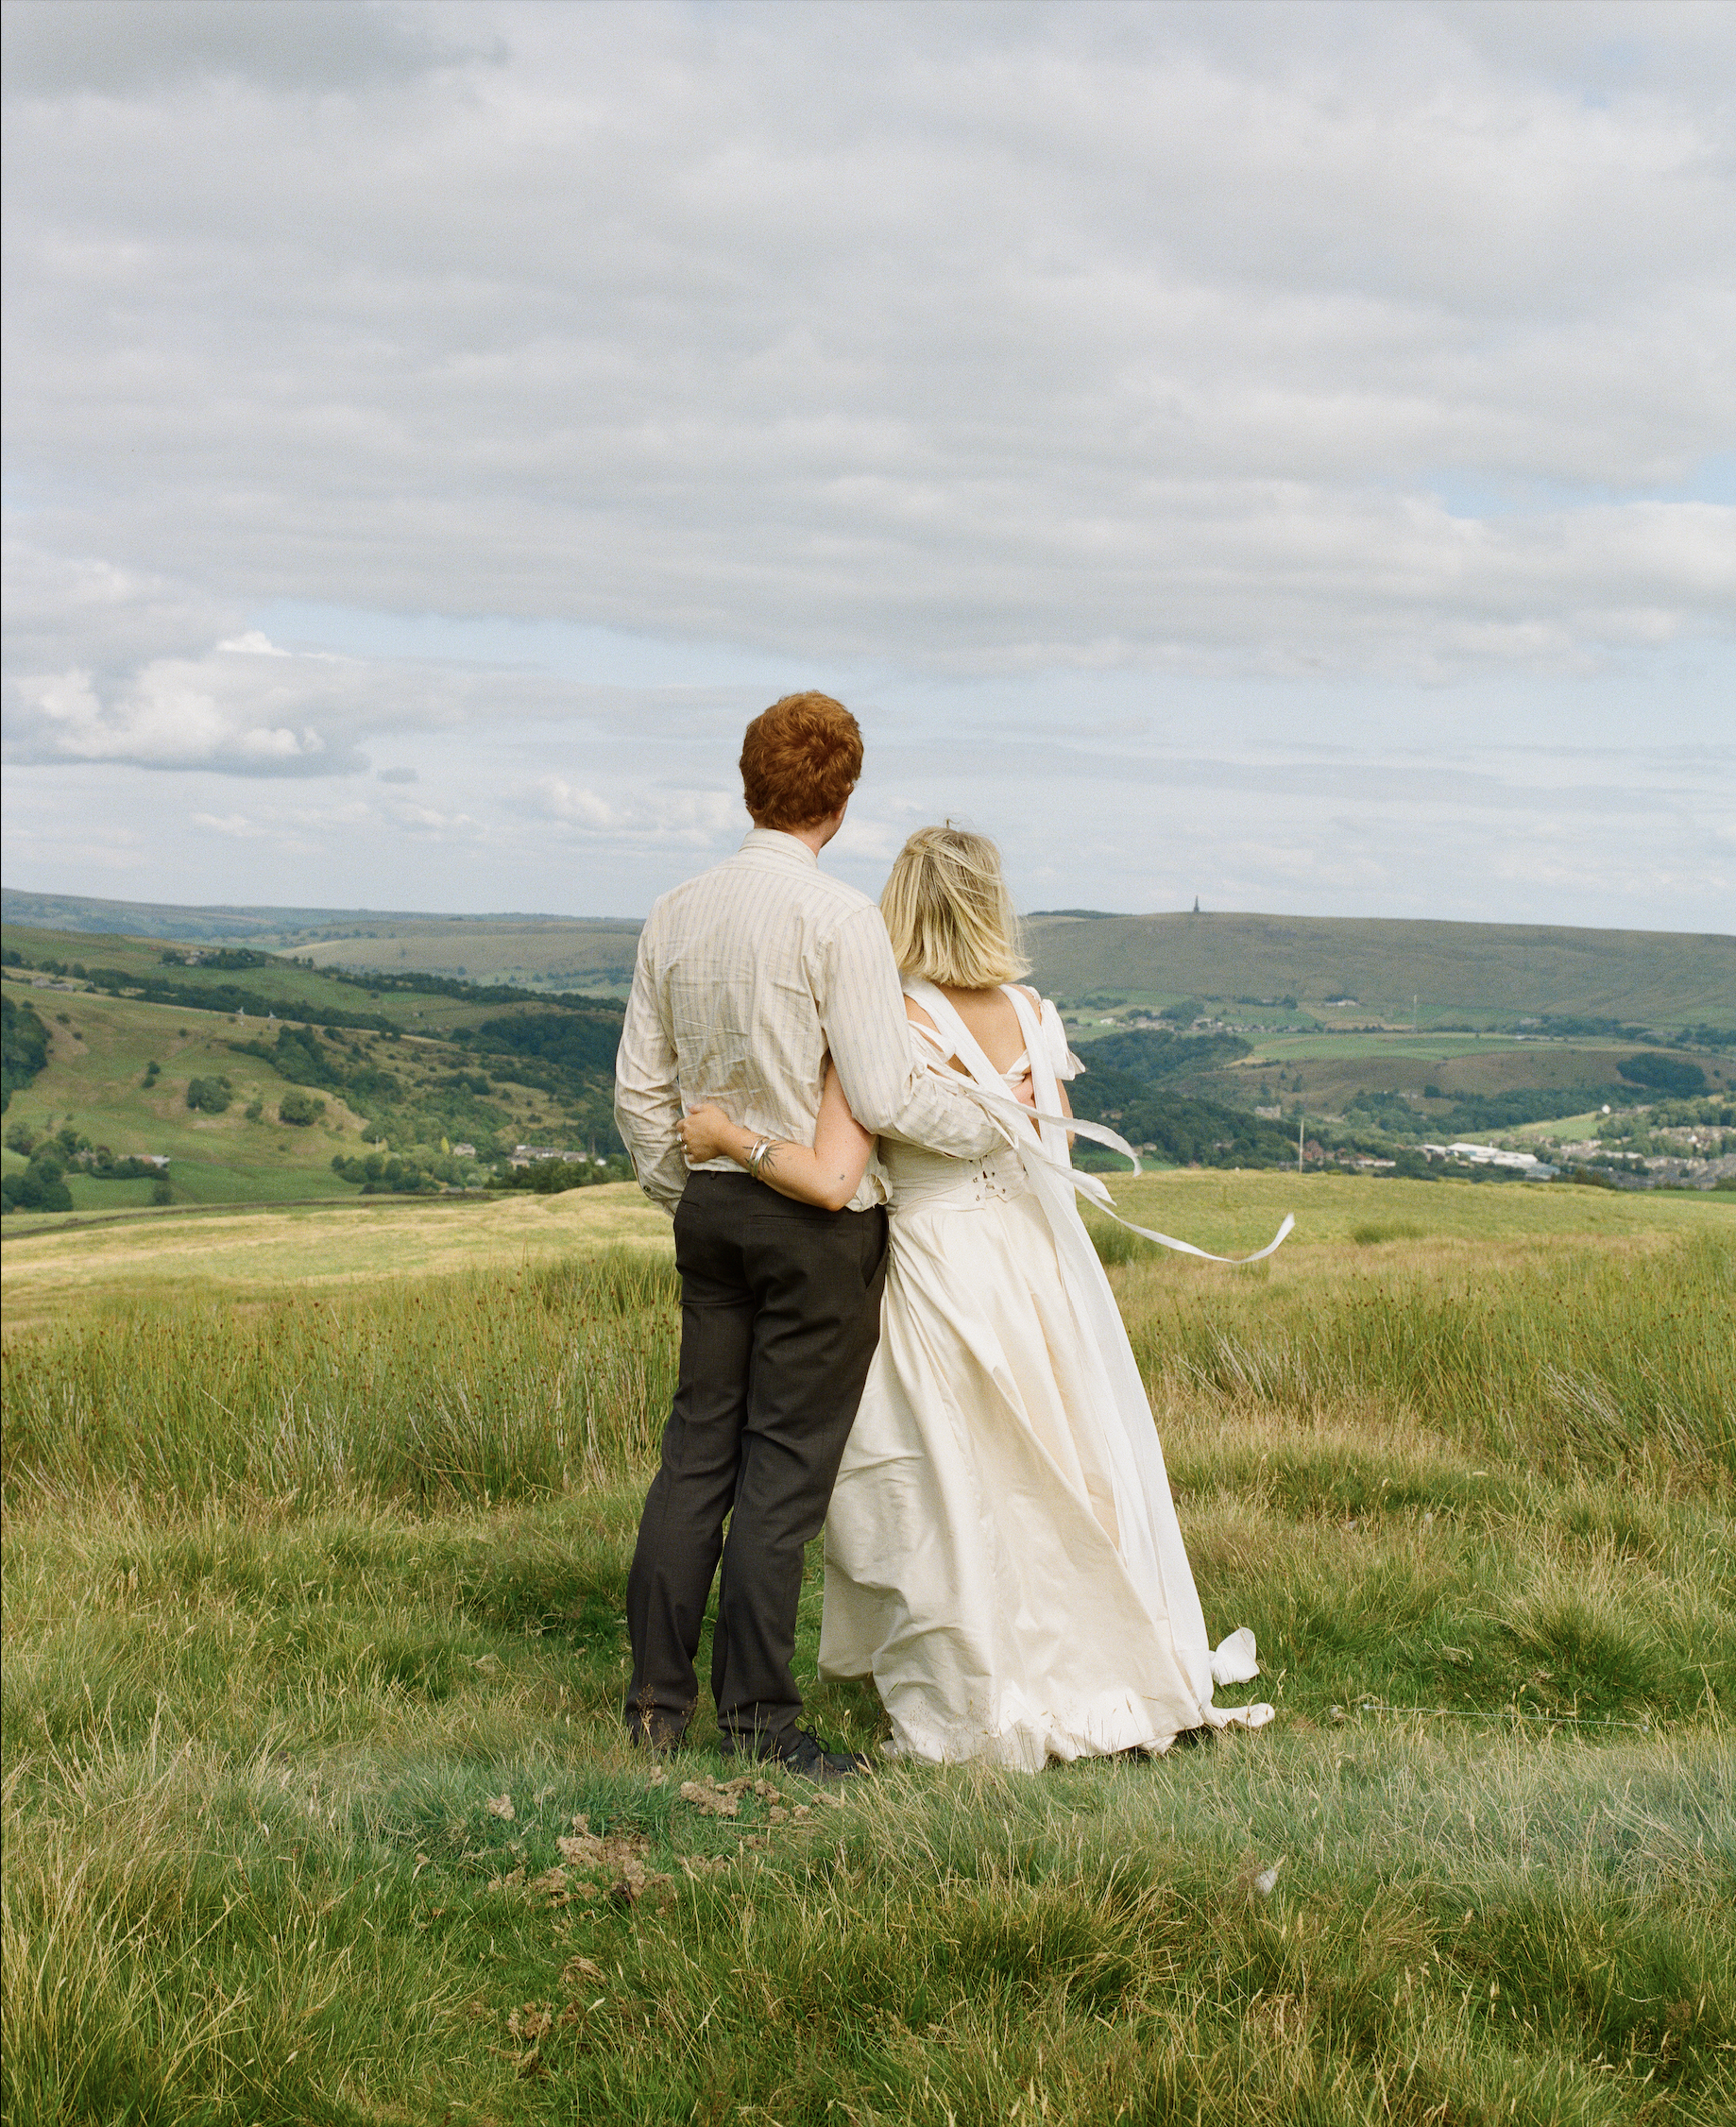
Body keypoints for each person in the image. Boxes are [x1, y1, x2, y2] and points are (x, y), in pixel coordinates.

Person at [679, 824, 1274, 1768]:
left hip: (934, 1263)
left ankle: (974, 1678)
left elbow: (833, 1174)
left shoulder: (889, 1020)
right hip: (1030, 1263)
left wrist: (731, 1136)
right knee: (1047, 1459)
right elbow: (1057, 1151)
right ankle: (1085, 1653)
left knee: (943, 1479)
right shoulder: (1035, 1013)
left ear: (899, 906)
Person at [613, 696, 1012, 1779]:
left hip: (711, 1209)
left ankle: (653, 1706)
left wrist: (686, 1191)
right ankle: (756, 1721)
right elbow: (880, 1089)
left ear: (747, 784)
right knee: (783, 1473)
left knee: (694, 1453)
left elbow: (640, 1093)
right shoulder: (839, 923)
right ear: (839, 802)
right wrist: (991, 1120)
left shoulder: (673, 910)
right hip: (818, 1224)